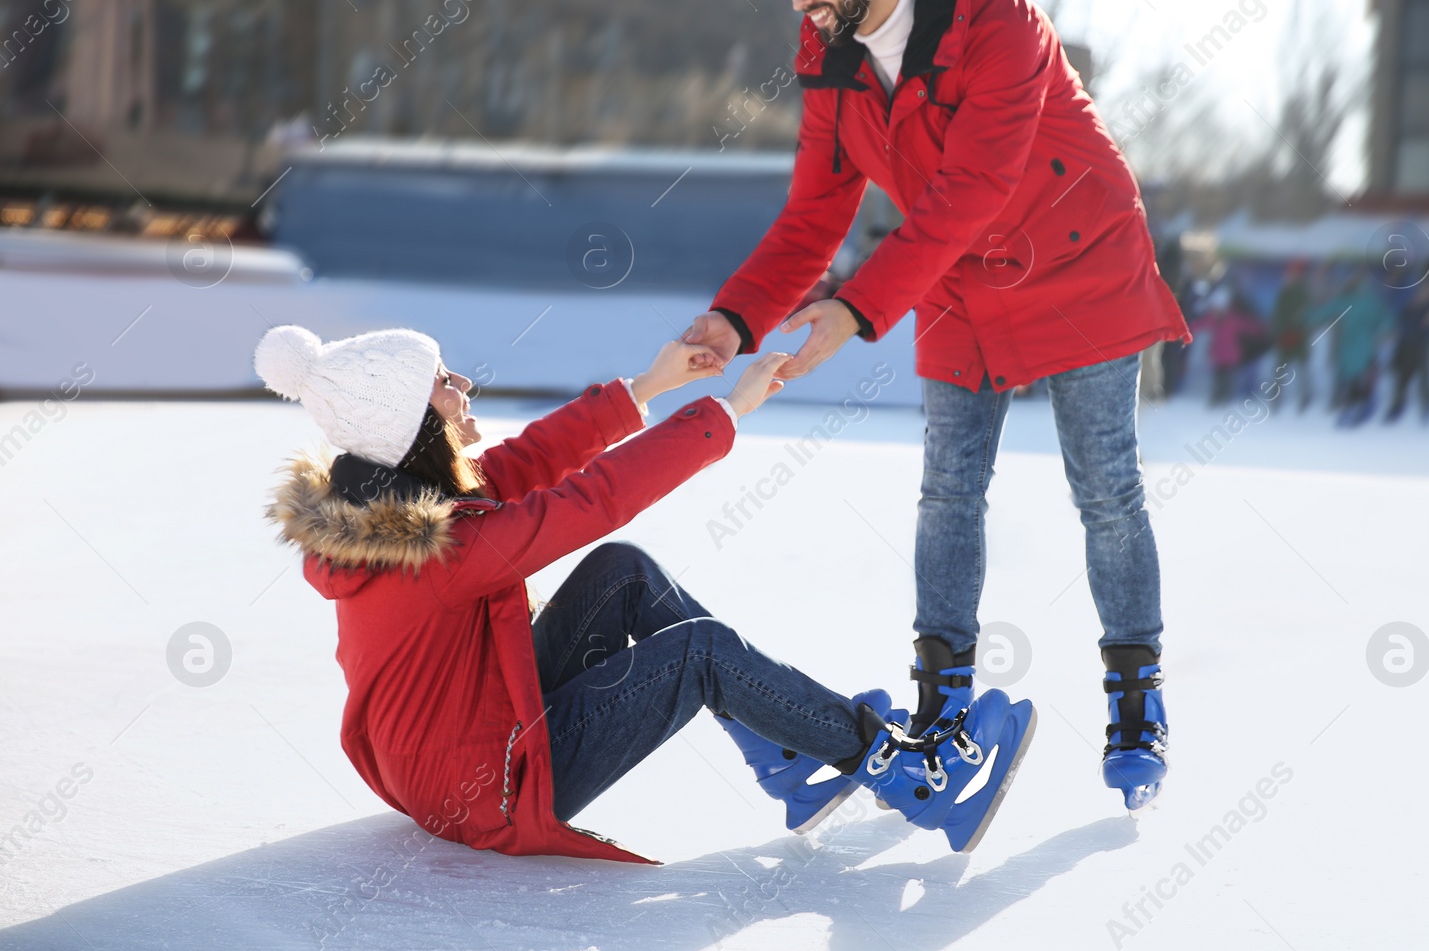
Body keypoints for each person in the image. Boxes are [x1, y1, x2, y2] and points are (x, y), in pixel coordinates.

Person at [681, 0, 1188, 812]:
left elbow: (971, 192)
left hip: (1081, 262)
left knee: (1106, 486)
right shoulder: (831, 52)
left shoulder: (1001, 27)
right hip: (953, 271)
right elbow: (814, 214)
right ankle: (940, 702)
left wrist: (853, 308)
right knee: (949, 486)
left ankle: (1136, 701)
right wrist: (735, 317)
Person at [252, 325, 1032, 859]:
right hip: (484, 784)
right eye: (442, 383)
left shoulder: (397, 509)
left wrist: (652, 383)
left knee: (621, 571)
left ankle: (788, 756)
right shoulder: (435, 550)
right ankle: (916, 780)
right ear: (409, 425)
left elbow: (533, 460)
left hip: (460, 739)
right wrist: (725, 414)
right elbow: (590, 498)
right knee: (701, 651)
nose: (463, 385)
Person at [1308, 269, 1392, 428]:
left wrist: (1306, 318)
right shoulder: (1358, 301)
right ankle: (1356, 408)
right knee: (1354, 378)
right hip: (1355, 346)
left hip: (1360, 346)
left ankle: (1357, 409)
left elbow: (1385, 320)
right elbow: (1385, 320)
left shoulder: (1363, 301)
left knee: (1357, 378)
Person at [1194, 286, 1268, 407]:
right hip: (1218, 355)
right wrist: (1186, 330)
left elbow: (1248, 326)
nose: (1216, 309)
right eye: (1214, 307)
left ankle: (1224, 402)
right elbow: (1199, 325)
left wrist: (1261, 330)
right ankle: (1215, 401)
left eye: (1218, 307)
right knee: (1218, 380)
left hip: (1231, 356)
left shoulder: (1233, 319)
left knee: (1229, 381)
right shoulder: (1212, 318)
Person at [1384, 280, 1429, 423]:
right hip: (1407, 346)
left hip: (1422, 347)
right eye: (1421, 292)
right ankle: (1397, 406)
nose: (1422, 295)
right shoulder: (1409, 308)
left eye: (1427, 293)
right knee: (1402, 379)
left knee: (1424, 379)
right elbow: (1401, 325)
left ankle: (1427, 408)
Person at [1270, 259, 1314, 411]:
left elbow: (1308, 315)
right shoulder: (1284, 292)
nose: (1290, 276)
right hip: (1284, 336)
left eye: (1294, 273)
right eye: (1289, 273)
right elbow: (1277, 314)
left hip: (1299, 337)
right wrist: (1280, 330)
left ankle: (1306, 396)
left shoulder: (1303, 292)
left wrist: (1300, 329)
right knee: (1280, 368)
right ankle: (1276, 398)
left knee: (1302, 368)